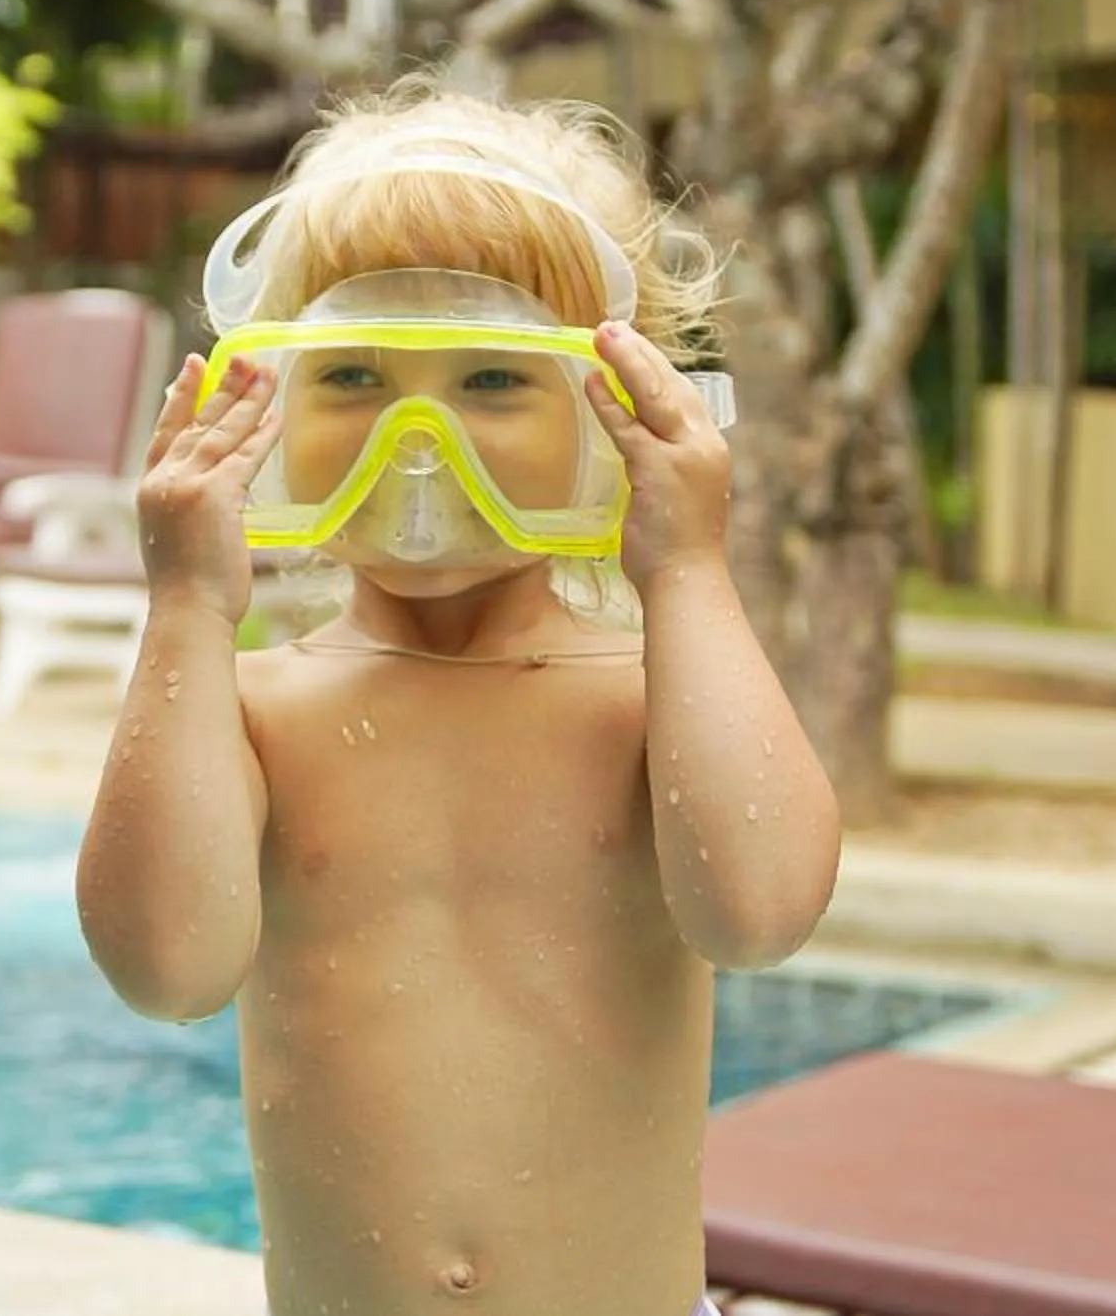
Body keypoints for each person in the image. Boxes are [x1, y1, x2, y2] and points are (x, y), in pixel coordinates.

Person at [75, 76, 843, 1316]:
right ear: (263, 404)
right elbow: (166, 970)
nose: (417, 438)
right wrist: (187, 612)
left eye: (493, 379)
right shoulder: (260, 712)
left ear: (620, 412)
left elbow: (760, 915)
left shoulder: (653, 710)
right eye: (354, 378)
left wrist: (689, 568)